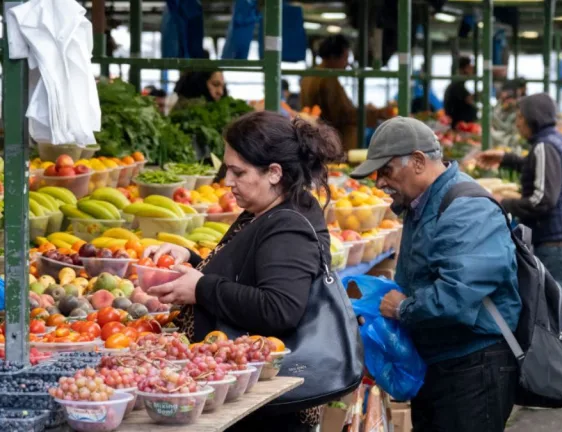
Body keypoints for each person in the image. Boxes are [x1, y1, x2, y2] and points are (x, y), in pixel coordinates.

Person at [145, 111, 343, 431]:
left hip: (269, 411)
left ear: (274, 172)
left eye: (238, 172)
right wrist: (193, 262)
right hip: (250, 394)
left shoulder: (288, 225)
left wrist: (202, 288)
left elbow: (279, 308)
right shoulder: (266, 208)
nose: (227, 182)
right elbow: (248, 273)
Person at [349, 117, 521, 432]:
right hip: (443, 361)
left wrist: (402, 308)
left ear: (417, 161)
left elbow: (456, 297)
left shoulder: (466, 209)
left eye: (385, 171)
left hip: (473, 365)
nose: (379, 183)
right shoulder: (424, 205)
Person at [477, 93, 562, 289]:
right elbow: (539, 168)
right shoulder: (557, 139)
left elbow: (542, 200)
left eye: (520, 117)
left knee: (549, 312)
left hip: (555, 242)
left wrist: (503, 202)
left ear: (533, 118)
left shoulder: (545, 146)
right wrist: (506, 158)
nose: (517, 123)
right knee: (554, 308)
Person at [300, 35, 392, 151]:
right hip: (333, 142)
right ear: (333, 56)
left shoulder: (309, 76)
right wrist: (377, 113)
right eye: (345, 57)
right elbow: (342, 115)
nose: (347, 63)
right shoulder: (328, 79)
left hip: (316, 139)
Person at [491, 78, 527, 149]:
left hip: (512, 143)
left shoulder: (520, 108)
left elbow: (507, 129)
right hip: (503, 141)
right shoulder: (502, 105)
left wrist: (494, 118)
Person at [443, 56, 478, 128]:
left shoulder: (458, 85)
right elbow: (468, 99)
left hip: (463, 127)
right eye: (470, 67)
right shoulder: (457, 86)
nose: (473, 69)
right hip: (460, 127)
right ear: (464, 69)